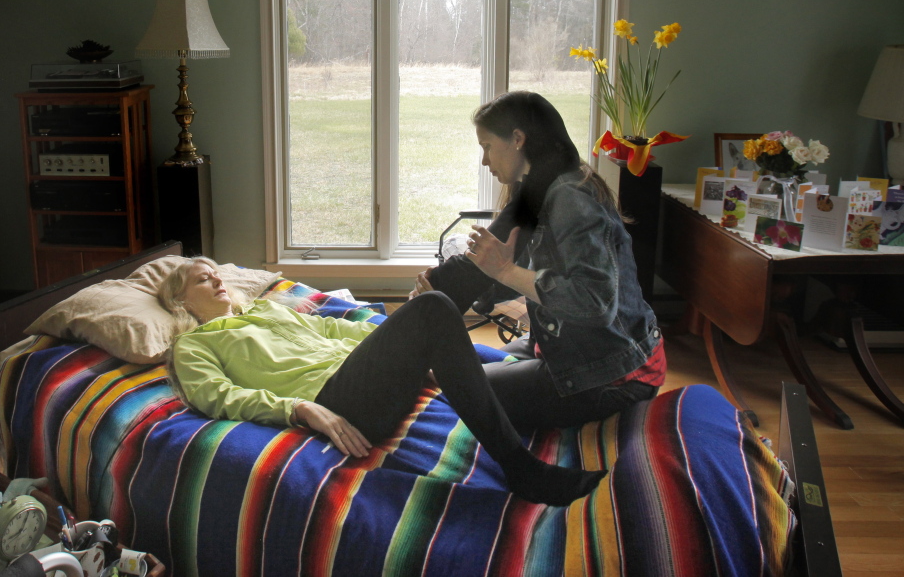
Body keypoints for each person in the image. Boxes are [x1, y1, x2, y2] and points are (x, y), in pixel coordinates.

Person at [158, 257, 606, 507]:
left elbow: (335, 330)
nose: (217, 279)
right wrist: (299, 409)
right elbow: (218, 397)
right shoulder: (193, 345)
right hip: (336, 400)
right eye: (203, 278)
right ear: (181, 299)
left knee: (431, 316)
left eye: (216, 273)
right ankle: (521, 469)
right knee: (433, 307)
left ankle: (534, 418)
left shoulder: (267, 308)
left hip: (361, 375)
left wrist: (405, 345)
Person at [411, 91, 664, 431]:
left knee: (455, 391)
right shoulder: (539, 187)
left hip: (613, 373)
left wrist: (505, 270)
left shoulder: (570, 197)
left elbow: (595, 302)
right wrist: (441, 290)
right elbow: (511, 274)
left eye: (487, 146)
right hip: (565, 347)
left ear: (517, 139)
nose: (485, 161)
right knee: (441, 372)